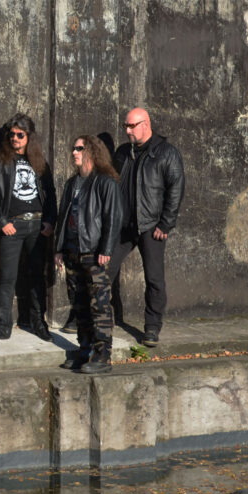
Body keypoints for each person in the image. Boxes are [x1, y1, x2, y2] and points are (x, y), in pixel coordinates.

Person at [108, 108, 185, 347]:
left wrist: (166, 223)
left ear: (146, 124)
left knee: (154, 278)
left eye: (132, 126)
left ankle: (152, 327)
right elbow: (111, 184)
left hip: (151, 226)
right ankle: (101, 319)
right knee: (104, 270)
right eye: (125, 126)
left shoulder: (166, 152)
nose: (128, 131)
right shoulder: (123, 152)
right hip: (123, 225)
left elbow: (176, 188)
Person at [0, 113, 57, 342]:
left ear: (29, 136)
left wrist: (50, 221)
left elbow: (50, 194)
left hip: (37, 226)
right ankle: (2, 326)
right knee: (6, 277)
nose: (15, 138)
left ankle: (38, 323)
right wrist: (1, 222)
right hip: (12, 226)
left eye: (20, 135)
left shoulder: (39, 162)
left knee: (37, 276)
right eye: (11, 134)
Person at [54, 135, 122, 373]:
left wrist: (106, 248)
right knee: (79, 305)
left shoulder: (106, 182)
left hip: (93, 252)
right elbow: (63, 218)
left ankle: (103, 356)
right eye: (73, 148)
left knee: (99, 305)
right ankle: (84, 351)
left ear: (92, 152)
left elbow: (113, 217)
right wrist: (59, 249)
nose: (74, 152)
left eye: (79, 148)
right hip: (72, 251)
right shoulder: (71, 183)